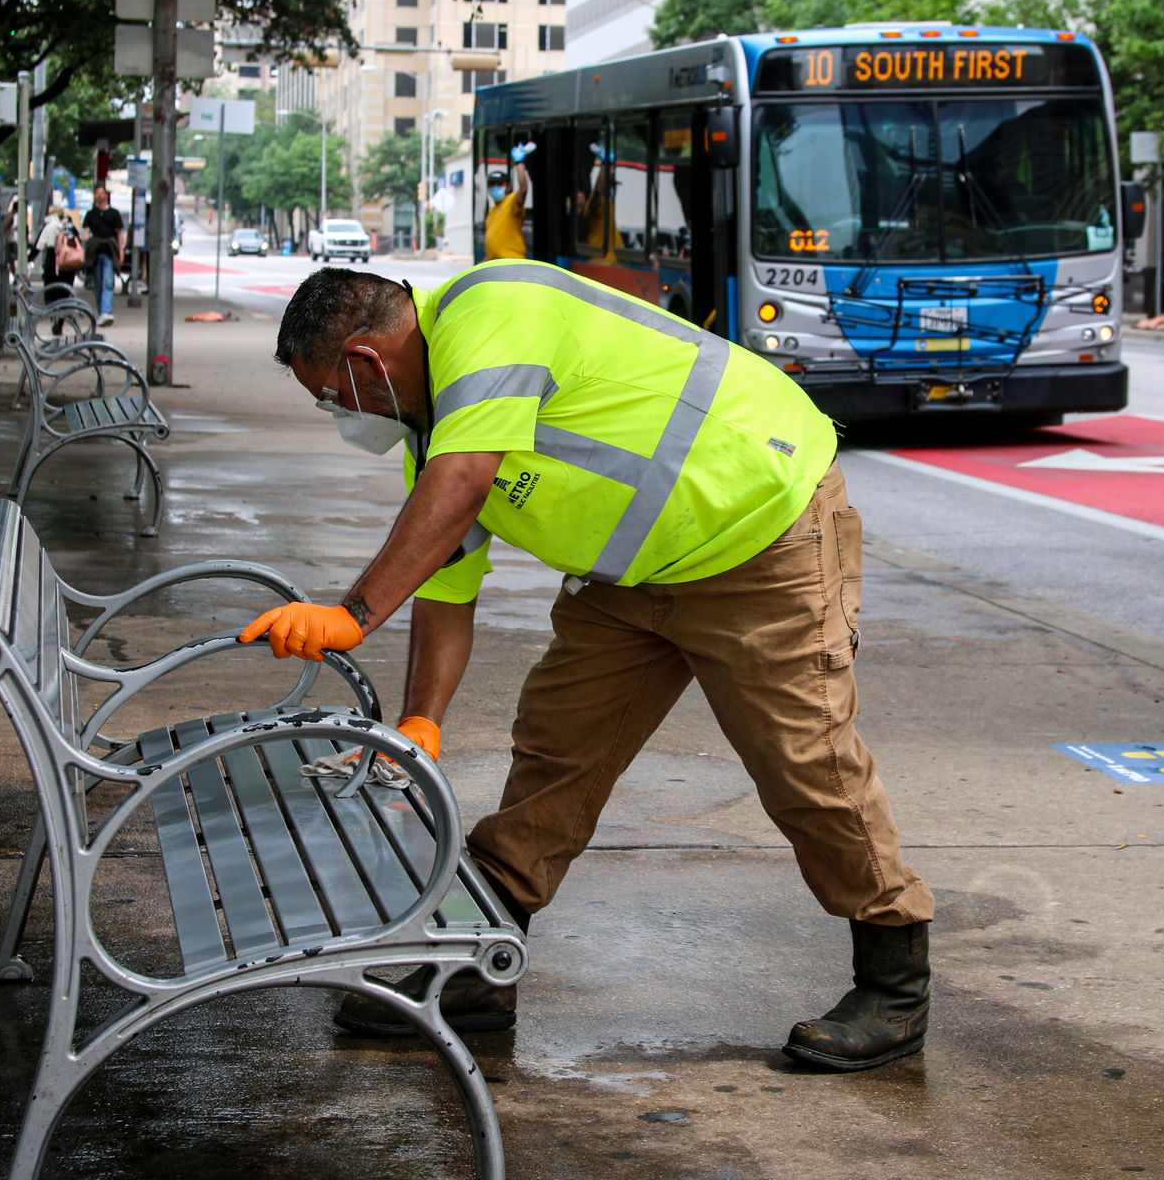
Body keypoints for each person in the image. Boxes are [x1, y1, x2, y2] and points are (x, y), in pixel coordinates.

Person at [238, 265, 935, 1072]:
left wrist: (352, 614)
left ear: (365, 362)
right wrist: (420, 722)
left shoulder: (488, 314)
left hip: (760, 535)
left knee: (805, 761)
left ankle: (894, 984)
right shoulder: (436, 436)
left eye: (332, 396)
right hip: (632, 581)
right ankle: (478, 966)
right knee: (554, 752)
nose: (341, 415)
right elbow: (445, 588)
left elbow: (462, 487)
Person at [482, 140, 534, 261]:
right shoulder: (491, 212)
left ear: (508, 186)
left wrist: (519, 163)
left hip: (513, 264)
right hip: (496, 266)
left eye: (499, 184)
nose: (495, 187)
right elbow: (492, 248)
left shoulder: (511, 202)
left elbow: (524, 188)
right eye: (492, 184)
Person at [82, 189, 126, 326]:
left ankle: (105, 312)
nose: (99, 195)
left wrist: (121, 251)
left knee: (107, 282)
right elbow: (86, 232)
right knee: (98, 285)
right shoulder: (90, 214)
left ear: (106, 195)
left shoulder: (114, 213)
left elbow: (120, 234)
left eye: (101, 193)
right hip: (95, 252)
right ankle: (102, 312)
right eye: (97, 193)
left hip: (109, 252)